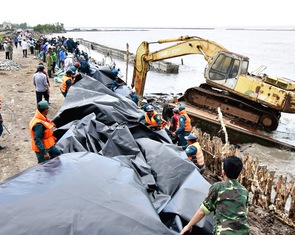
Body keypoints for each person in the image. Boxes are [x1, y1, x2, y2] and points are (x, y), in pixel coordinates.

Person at [180, 156, 249, 235]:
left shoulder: (218, 187)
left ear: (224, 172)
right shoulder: (244, 191)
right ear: (239, 173)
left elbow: (202, 211)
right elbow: (244, 213)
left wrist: (188, 226)